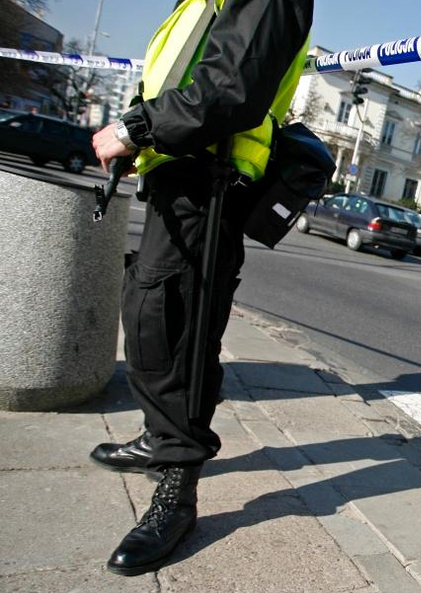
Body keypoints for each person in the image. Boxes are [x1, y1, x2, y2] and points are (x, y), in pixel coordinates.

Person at [89, 0, 312, 576]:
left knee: (177, 330)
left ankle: (177, 490)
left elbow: (232, 86)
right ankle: (157, 437)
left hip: (211, 177)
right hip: (180, 165)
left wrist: (137, 126)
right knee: (152, 310)